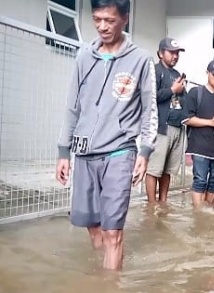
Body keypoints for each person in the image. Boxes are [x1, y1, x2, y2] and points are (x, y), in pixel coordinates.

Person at [55, 0, 157, 270]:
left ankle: (110, 290)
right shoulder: (83, 57)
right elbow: (72, 106)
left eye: (109, 20)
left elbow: (150, 110)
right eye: (97, 19)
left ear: (125, 18)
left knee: (113, 233)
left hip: (120, 152)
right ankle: (105, 277)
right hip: (85, 153)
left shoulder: (140, 60)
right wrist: (63, 151)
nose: (102, 26)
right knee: (93, 228)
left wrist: (145, 151)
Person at [145, 37, 185, 204]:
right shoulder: (154, 71)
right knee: (154, 169)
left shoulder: (176, 74)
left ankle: (163, 203)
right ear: (161, 53)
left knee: (167, 170)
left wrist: (182, 91)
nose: (175, 56)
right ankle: (152, 206)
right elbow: (150, 97)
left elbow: (181, 100)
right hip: (161, 128)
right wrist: (172, 89)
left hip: (177, 128)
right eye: (171, 52)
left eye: (177, 53)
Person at [183, 59, 214, 207]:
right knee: (200, 179)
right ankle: (198, 212)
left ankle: (207, 210)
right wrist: (210, 122)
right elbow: (187, 119)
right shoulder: (196, 93)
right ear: (207, 73)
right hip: (199, 146)